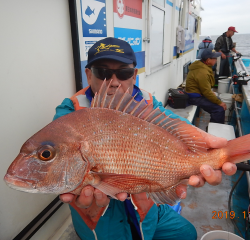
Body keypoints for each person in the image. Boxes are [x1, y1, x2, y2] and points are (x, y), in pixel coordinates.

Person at [54, 37, 237, 240]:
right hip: (101, 220)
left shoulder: (148, 103)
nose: (113, 82)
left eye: (123, 73)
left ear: (134, 75)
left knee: (186, 233)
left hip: (148, 208)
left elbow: (175, 124)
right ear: (89, 75)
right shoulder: (69, 115)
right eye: (103, 72)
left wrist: (206, 151)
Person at [185, 48, 227, 124]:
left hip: (199, 93)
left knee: (217, 99)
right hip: (194, 97)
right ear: (208, 60)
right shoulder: (202, 72)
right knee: (219, 109)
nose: (216, 60)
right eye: (214, 58)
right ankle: (214, 131)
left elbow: (205, 88)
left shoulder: (202, 65)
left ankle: (214, 124)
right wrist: (220, 103)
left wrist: (216, 99)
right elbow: (206, 92)